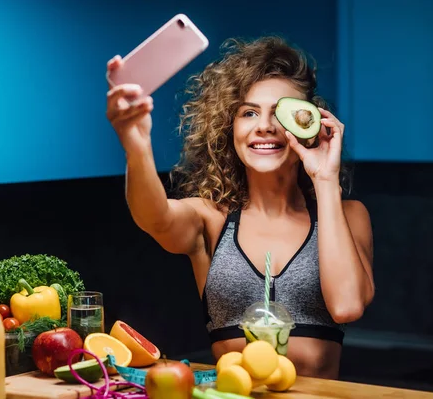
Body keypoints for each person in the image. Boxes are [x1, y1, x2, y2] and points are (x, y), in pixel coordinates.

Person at [105, 36, 375, 379]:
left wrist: (325, 180)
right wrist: (136, 143)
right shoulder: (211, 218)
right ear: (229, 129)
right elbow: (154, 217)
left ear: (308, 124)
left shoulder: (349, 215)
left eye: (282, 112)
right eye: (249, 112)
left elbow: (347, 305)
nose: (265, 125)